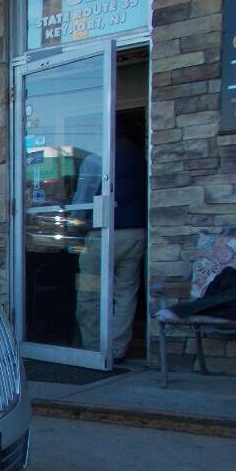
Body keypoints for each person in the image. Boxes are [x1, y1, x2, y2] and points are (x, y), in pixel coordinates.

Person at [72, 132, 147, 359]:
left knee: (90, 292)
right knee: (125, 293)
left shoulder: (96, 158)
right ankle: (116, 349)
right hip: (136, 232)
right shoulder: (138, 157)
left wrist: (74, 222)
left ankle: (94, 349)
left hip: (103, 235)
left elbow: (83, 199)